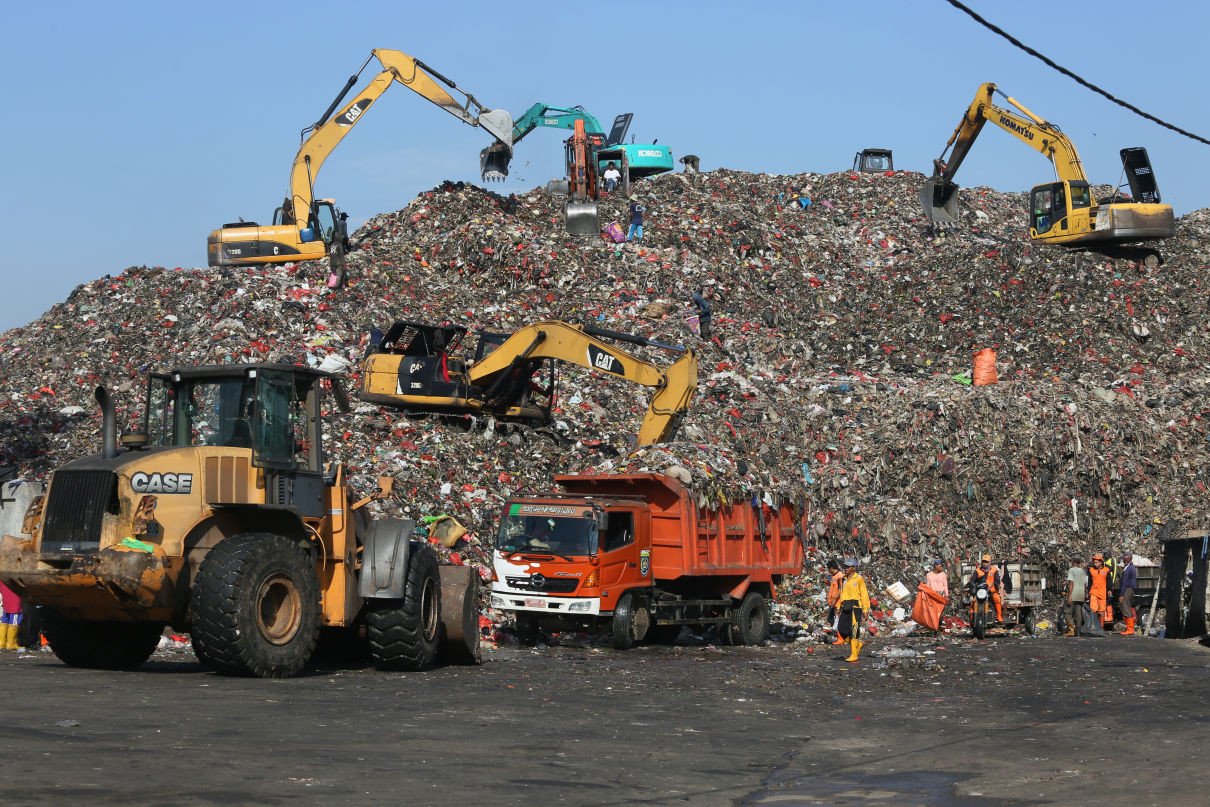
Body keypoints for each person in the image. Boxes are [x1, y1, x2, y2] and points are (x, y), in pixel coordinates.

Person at [836, 557, 870, 663]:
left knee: (854, 631)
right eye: (844, 566)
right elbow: (841, 593)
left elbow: (864, 594)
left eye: (848, 566)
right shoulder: (843, 579)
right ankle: (858, 645)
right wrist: (838, 606)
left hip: (855, 606)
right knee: (841, 630)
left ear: (854, 568)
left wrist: (865, 609)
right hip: (845, 605)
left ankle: (854, 654)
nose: (845, 568)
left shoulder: (858, 579)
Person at [968, 554, 1003, 623]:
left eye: (986, 562)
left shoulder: (994, 570)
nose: (984, 563)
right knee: (974, 601)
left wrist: (996, 583)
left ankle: (999, 615)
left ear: (990, 562)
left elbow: (997, 579)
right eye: (983, 561)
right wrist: (972, 585)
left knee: (997, 599)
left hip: (991, 590)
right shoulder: (977, 571)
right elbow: (972, 580)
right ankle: (972, 616)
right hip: (980, 590)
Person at [1064, 556, 1090, 636]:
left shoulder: (1071, 570)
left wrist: (1069, 596)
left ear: (1073, 562)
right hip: (1081, 595)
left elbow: (1071, 583)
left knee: (1067, 612)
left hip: (1073, 595)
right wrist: (1085, 594)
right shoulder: (1083, 571)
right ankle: (1078, 631)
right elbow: (1085, 584)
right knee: (1078, 614)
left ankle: (1071, 630)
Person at [1088, 552, 1111, 629]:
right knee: (1093, 610)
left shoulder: (1106, 570)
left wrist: (1110, 589)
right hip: (1094, 592)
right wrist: (1088, 591)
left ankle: (1101, 628)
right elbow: (1089, 582)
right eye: (1094, 562)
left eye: (1097, 562)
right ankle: (1093, 627)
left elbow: (1109, 581)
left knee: (1101, 612)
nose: (1095, 563)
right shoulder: (1091, 570)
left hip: (1102, 593)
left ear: (1101, 562)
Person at [825, 559, 844, 646]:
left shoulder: (840, 575)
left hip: (838, 600)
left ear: (832, 568)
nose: (828, 570)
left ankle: (840, 638)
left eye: (829, 568)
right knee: (834, 618)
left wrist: (834, 599)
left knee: (837, 617)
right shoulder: (834, 576)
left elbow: (840, 589)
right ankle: (837, 635)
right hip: (834, 600)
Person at [1119, 552, 1138, 636]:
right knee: (1127, 607)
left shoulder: (1128, 568)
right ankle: (1129, 628)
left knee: (1126, 608)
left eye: (1124, 557)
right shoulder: (1131, 567)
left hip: (1127, 589)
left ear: (1128, 558)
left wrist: (1121, 594)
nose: (1122, 559)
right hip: (1130, 589)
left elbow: (1124, 582)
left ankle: (1130, 629)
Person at [0, 579, 22, 651]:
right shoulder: (15, 577)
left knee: (5, 618)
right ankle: (11, 643)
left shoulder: (2, 576)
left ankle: (2, 642)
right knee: (15, 620)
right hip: (15, 599)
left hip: (6, 598)